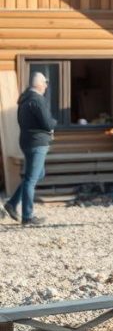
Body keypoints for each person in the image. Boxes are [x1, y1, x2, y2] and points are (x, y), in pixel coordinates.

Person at [2, 72, 56, 226]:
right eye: (45, 82)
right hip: (37, 143)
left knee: (37, 174)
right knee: (31, 179)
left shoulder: (24, 99)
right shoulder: (38, 100)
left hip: (26, 141)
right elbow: (47, 123)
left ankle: (12, 204)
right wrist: (54, 123)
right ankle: (28, 216)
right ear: (38, 84)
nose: (46, 85)